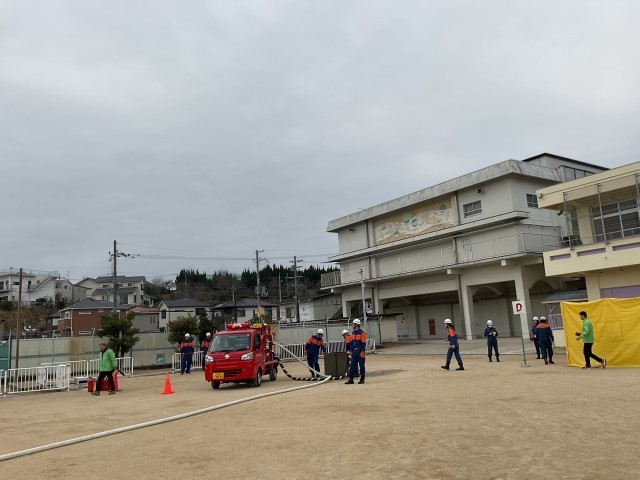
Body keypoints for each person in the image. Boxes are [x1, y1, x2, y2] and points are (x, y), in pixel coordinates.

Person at [345, 319, 366, 384]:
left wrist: (362, 351)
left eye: (353, 324)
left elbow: (363, 343)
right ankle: (351, 379)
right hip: (354, 351)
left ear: (356, 325)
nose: (352, 325)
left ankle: (362, 379)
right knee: (352, 365)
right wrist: (351, 351)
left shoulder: (362, 333)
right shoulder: (353, 333)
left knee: (361, 365)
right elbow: (351, 343)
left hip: (360, 351)